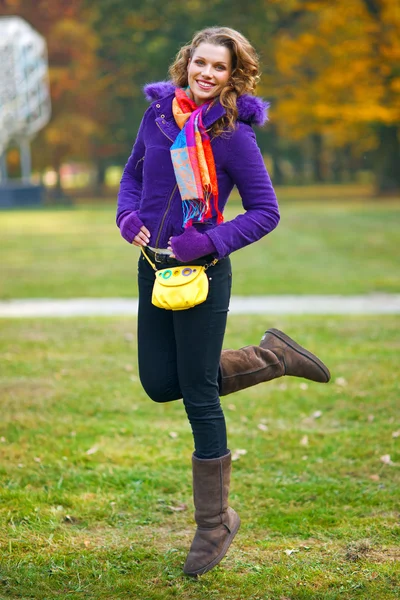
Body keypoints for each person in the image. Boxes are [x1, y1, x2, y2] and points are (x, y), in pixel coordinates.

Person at [116, 26, 330, 577]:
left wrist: (208, 240)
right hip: (153, 268)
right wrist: (127, 216)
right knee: (161, 383)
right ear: (187, 63)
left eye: (220, 67)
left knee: (199, 395)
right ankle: (272, 357)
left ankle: (214, 523)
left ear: (234, 75)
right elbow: (133, 173)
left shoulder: (233, 134)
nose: (207, 74)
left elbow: (265, 211)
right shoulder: (158, 117)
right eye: (200, 63)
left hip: (204, 273)